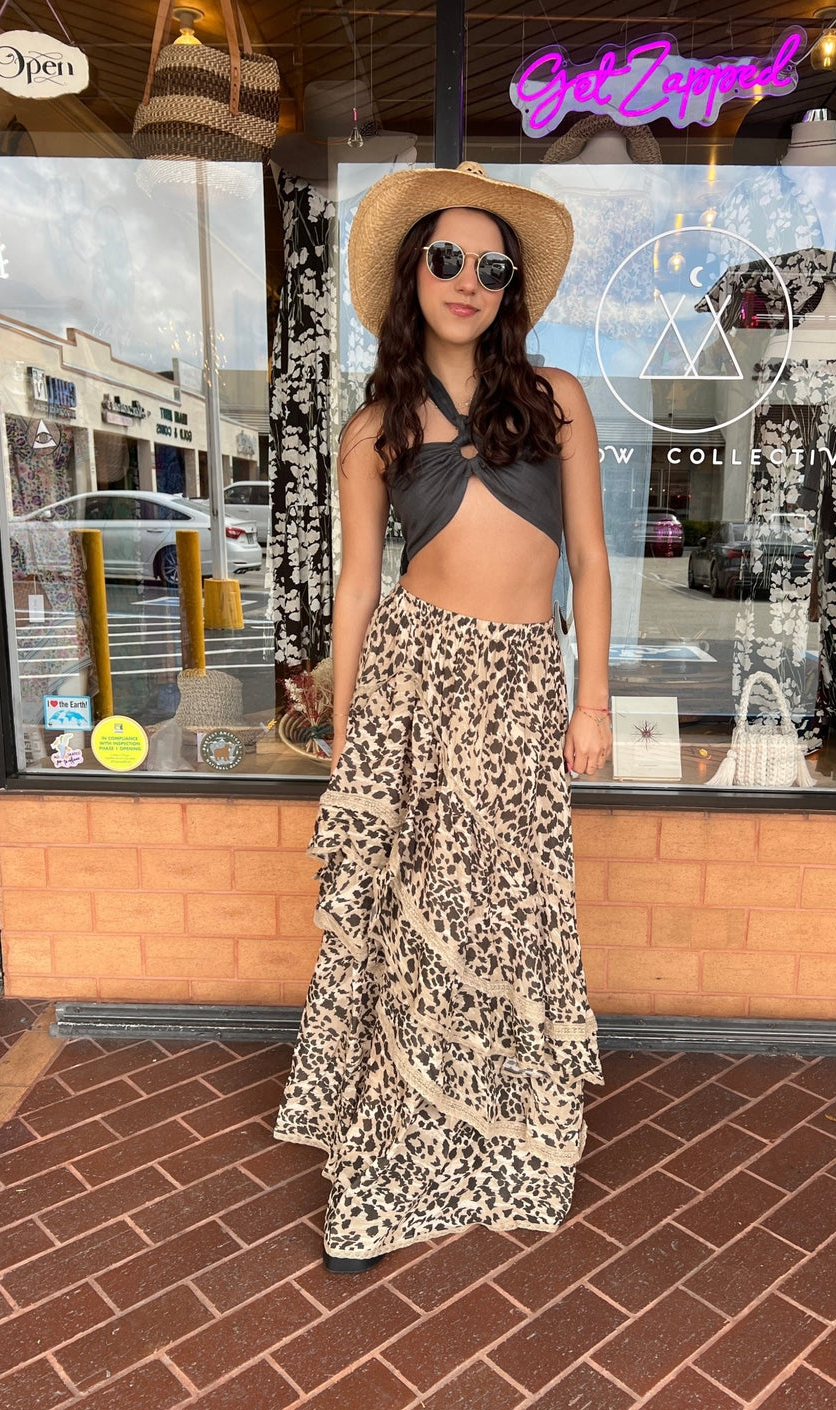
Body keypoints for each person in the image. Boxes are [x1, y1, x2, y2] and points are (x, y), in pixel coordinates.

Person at [272, 161, 612, 1273]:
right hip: (413, 691)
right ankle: (390, 1160)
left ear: (511, 287)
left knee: (503, 917)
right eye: (447, 257)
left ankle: (498, 1138)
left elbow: (593, 563)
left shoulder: (558, 399)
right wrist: (346, 728)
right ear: (414, 274)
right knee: (414, 920)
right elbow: (362, 592)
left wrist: (591, 696)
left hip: (519, 688)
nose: (468, 279)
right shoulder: (374, 427)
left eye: (491, 265)